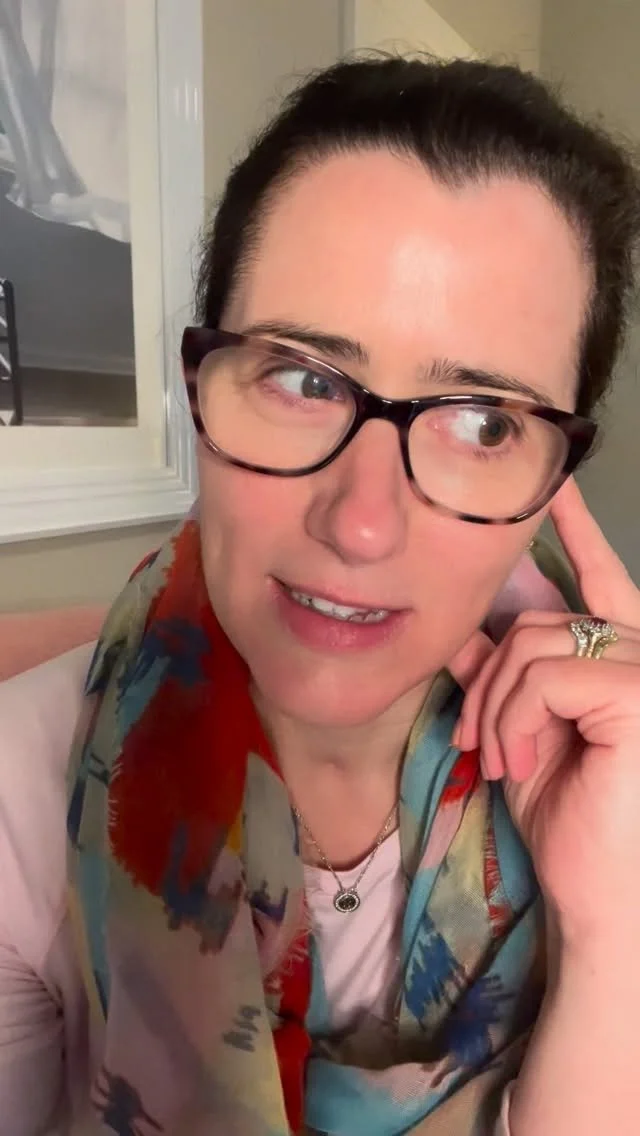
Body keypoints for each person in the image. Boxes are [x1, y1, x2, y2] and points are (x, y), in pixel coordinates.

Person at [1, 53, 640, 1136]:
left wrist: (619, 920)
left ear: (550, 482)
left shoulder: (619, 780)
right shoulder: (21, 795)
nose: (362, 522)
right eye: (302, 378)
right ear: (199, 385)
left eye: (483, 421)